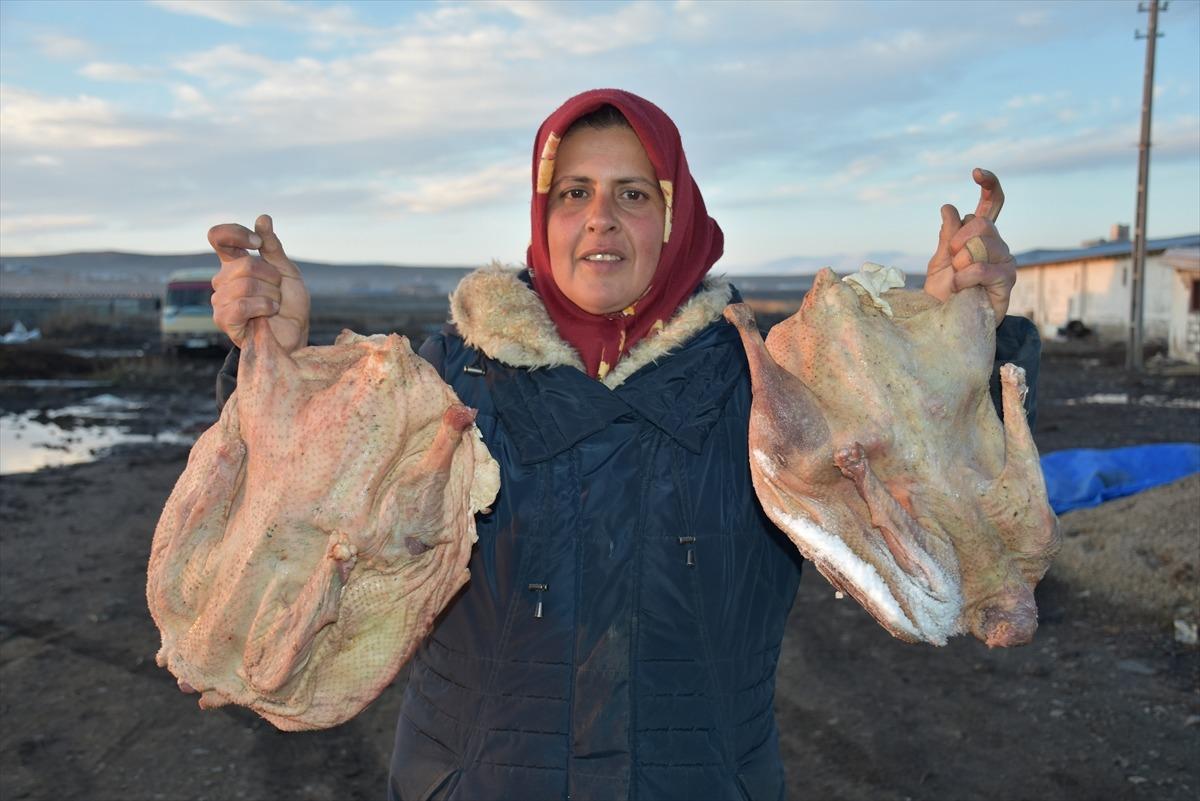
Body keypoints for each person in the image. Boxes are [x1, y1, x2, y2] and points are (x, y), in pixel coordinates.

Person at [206, 88, 1038, 801]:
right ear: (541, 215)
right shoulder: (442, 387)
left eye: (633, 193)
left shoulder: (773, 392)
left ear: (676, 217)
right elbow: (290, 534)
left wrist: (950, 339)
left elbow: (935, 499)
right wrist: (278, 366)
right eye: (573, 192)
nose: (599, 216)